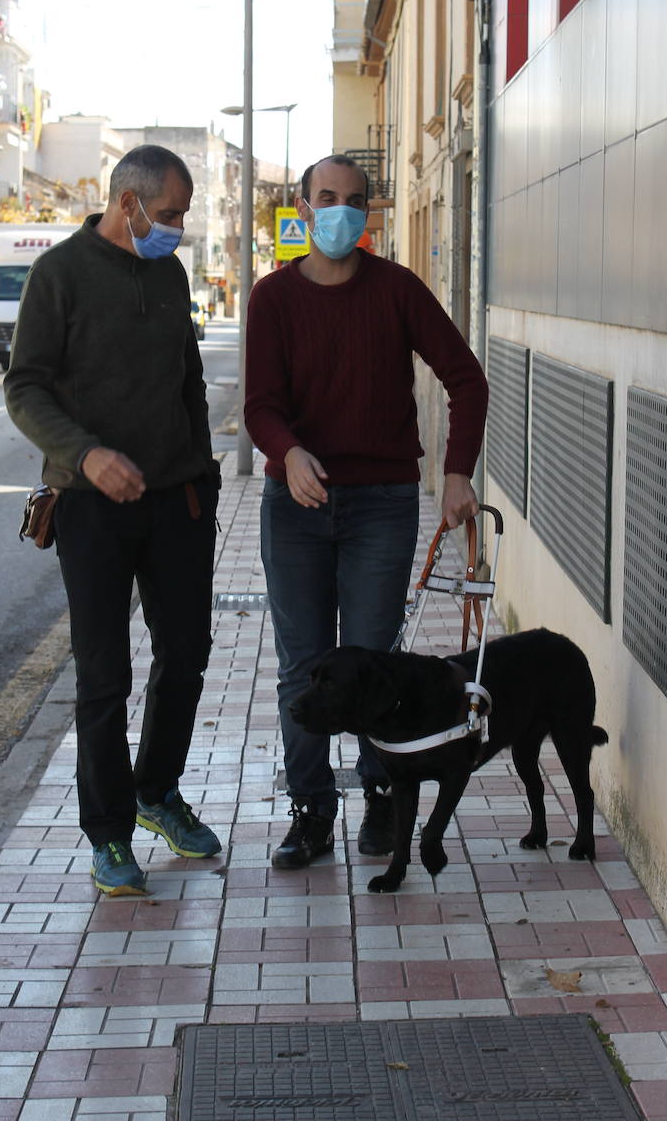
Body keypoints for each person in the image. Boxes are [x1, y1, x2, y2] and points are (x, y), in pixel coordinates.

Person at [244, 153, 488, 870]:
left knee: (379, 669)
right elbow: (259, 404)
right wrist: (288, 454)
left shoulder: (397, 291)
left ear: (370, 212)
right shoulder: (273, 298)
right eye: (327, 197)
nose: (340, 210)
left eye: (354, 200)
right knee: (303, 669)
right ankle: (311, 811)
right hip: (296, 508)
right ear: (303, 205)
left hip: (382, 506)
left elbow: (465, 381)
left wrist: (455, 474)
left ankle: (384, 796)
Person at [4, 144, 222, 897]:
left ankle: (157, 792)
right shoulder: (57, 275)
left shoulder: (168, 272)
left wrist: (204, 475)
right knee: (104, 678)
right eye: (169, 214)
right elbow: (24, 388)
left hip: (177, 504)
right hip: (92, 506)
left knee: (187, 655)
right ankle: (109, 835)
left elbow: (189, 379)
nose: (178, 228)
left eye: (183, 214)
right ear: (126, 203)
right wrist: (86, 454)